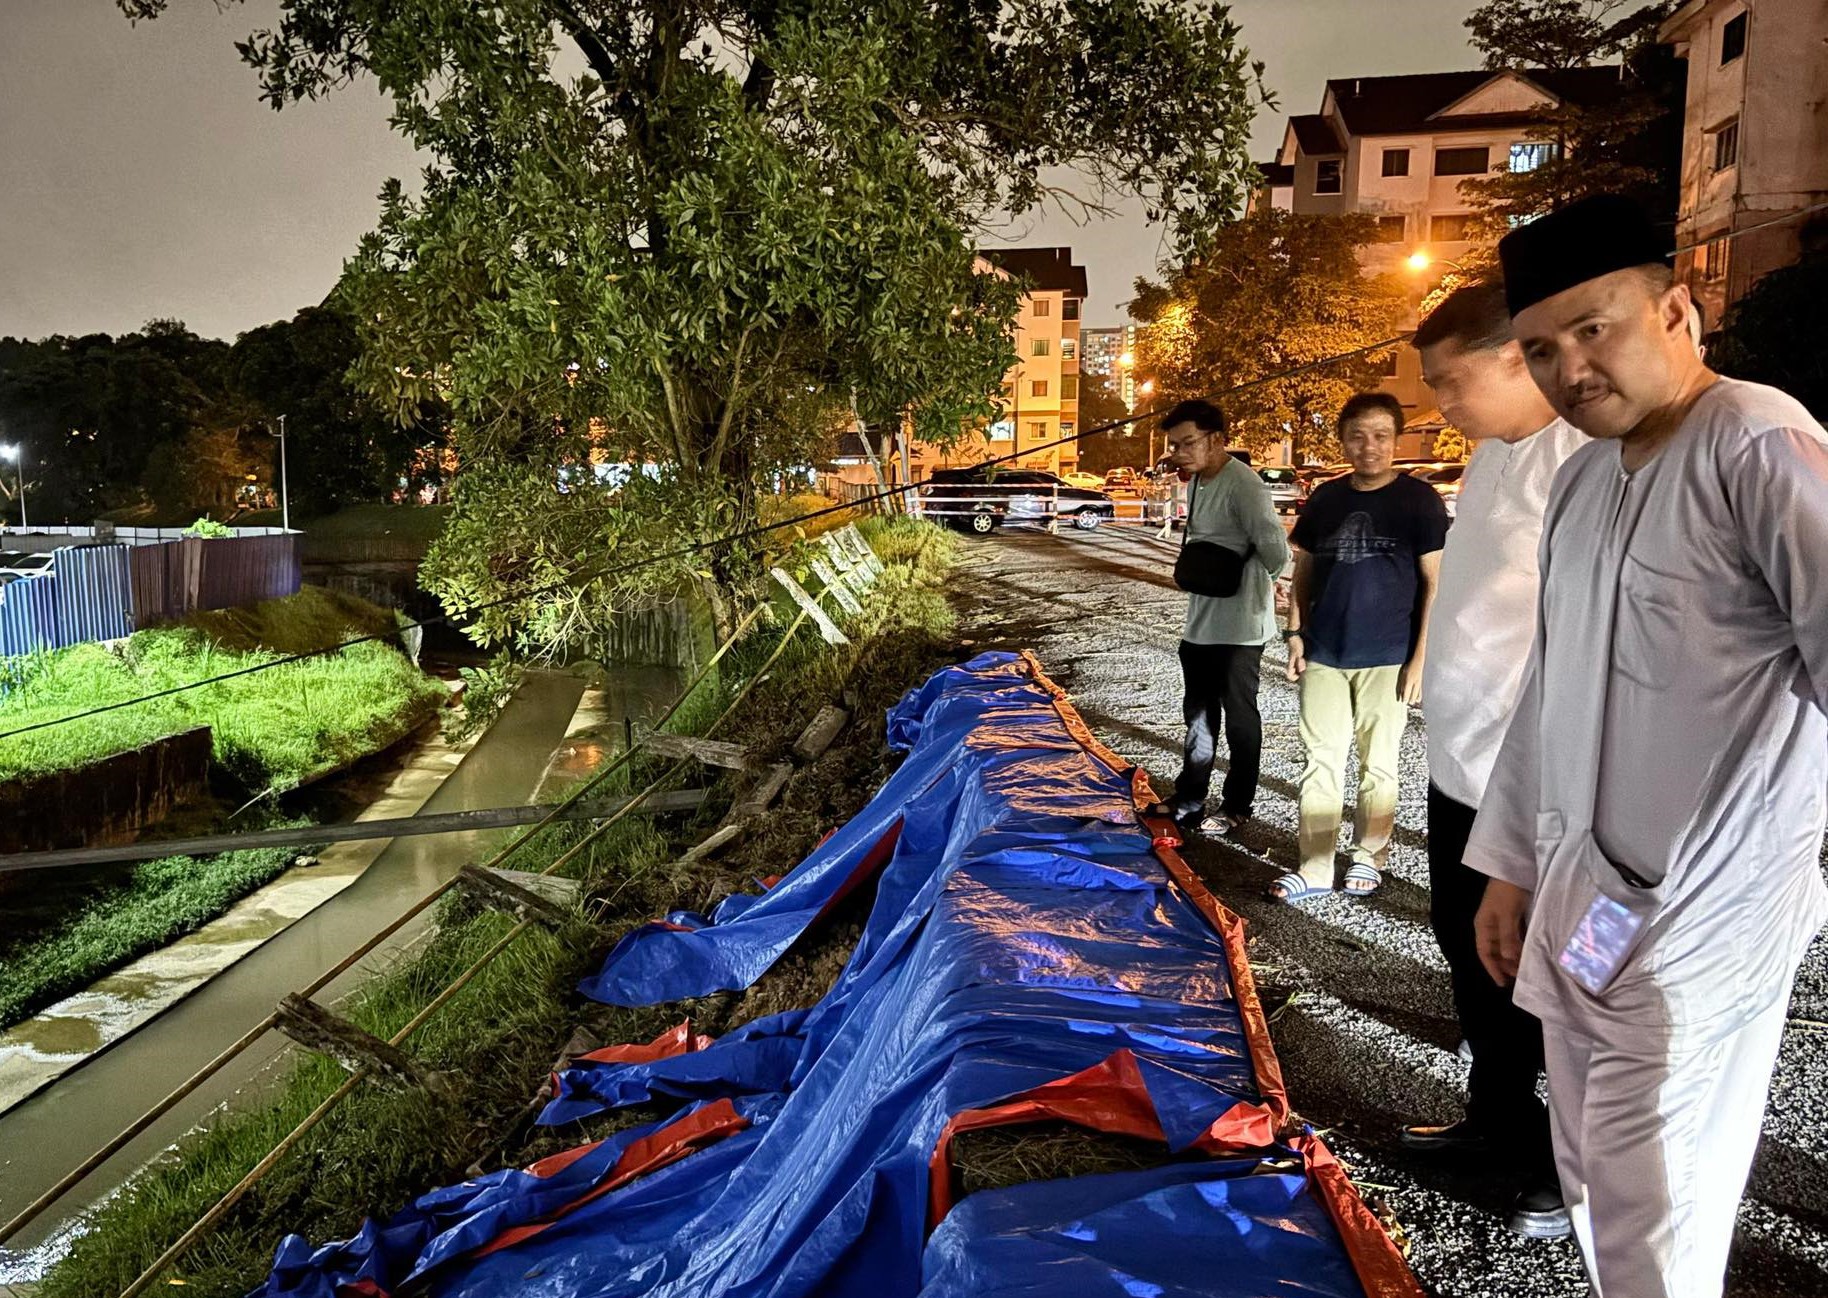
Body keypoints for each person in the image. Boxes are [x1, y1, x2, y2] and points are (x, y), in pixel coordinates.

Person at [1467, 193, 1828, 1297]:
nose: (1569, 366)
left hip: (1700, 914)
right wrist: (1510, 861)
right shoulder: (1582, 480)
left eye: (1594, 327)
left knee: (1651, 1184)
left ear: (1677, 308)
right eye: (1540, 348)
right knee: (1587, 1157)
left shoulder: (1758, 444)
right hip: (1588, 901)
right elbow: (1549, 686)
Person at [1398, 281, 1586, 1239]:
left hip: (1530, 782)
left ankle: (1558, 1171)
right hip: (1459, 767)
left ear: (1518, 354)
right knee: (1469, 961)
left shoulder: (1582, 463)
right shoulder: (1491, 454)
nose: (1441, 402)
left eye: (1452, 380)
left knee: (1531, 976)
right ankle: (1493, 1122)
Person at [1278, 393, 1448, 901]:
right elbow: (1304, 570)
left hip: (1389, 655)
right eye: (1357, 435)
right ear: (1343, 441)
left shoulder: (1419, 501)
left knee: (1380, 763)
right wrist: (1293, 634)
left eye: (1380, 435)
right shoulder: (1327, 499)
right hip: (1325, 650)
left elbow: (1435, 584)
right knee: (1320, 759)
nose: (1369, 446)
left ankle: (1369, 855)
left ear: (1396, 440)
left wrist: (1421, 658)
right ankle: (1314, 865)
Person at [1158, 399, 1291, 832]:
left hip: (1241, 625)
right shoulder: (1197, 481)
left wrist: (1262, 581)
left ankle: (1237, 805)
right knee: (1197, 712)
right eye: (1175, 445)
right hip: (1201, 620)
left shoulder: (1245, 485)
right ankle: (1190, 797)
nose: (1180, 452)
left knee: (1239, 715)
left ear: (1217, 439)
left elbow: (1276, 548)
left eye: (1187, 443)